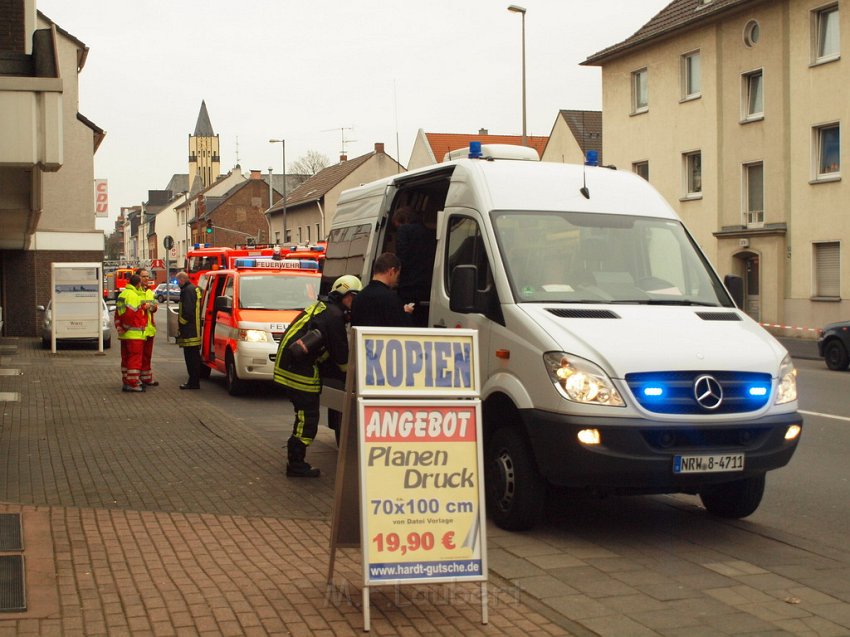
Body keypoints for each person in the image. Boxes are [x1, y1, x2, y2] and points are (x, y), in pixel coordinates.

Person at [273, 274, 362, 477]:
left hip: (289, 365)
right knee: (308, 416)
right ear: (343, 294)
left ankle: (296, 459)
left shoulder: (322, 307)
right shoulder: (335, 316)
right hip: (299, 371)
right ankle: (296, 463)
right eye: (353, 297)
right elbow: (341, 355)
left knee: (304, 414)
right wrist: (351, 377)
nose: (354, 303)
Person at [393, 206, 436, 327]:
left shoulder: (404, 231)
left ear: (401, 220)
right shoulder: (429, 233)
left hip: (408, 287)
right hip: (427, 287)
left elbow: (401, 257)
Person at [351, 252, 414, 328]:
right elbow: (401, 331)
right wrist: (406, 314)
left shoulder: (358, 298)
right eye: (397, 275)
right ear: (391, 272)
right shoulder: (391, 298)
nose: (397, 280)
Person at [114, 273, 148, 392]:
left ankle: (126, 380)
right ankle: (133, 383)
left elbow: (118, 313)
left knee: (126, 359)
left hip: (124, 335)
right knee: (134, 359)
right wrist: (126, 326)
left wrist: (120, 327)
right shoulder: (133, 295)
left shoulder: (123, 294)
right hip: (134, 334)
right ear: (138, 284)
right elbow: (130, 314)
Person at [175, 271, 202, 390]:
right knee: (194, 357)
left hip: (190, 331)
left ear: (182, 280)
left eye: (177, 281)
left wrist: (181, 323)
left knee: (191, 359)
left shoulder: (187, 291)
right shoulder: (193, 289)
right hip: (194, 330)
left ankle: (193, 382)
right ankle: (193, 381)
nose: (177, 284)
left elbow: (188, 311)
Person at [136, 268, 159, 386]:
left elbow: (154, 306)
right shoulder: (135, 292)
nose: (146, 279)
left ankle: (146, 378)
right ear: (138, 277)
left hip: (149, 329)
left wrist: (151, 306)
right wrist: (146, 306)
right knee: (137, 357)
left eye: (147, 276)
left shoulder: (150, 291)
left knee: (147, 356)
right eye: (144, 276)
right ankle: (137, 378)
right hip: (139, 330)